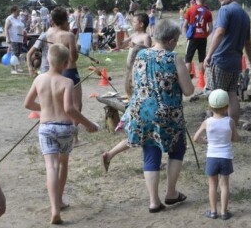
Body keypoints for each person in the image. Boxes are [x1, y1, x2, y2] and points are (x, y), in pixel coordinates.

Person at [121, 19, 194, 213]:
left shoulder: (140, 54)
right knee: (177, 150)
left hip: (142, 112)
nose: (176, 44)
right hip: (168, 114)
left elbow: (135, 82)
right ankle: (171, 192)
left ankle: (154, 201)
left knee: (150, 154)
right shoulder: (174, 58)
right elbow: (188, 91)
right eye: (176, 40)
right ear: (170, 41)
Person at [24, 43, 99, 224]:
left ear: (47, 59)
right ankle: (60, 199)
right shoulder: (67, 82)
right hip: (65, 129)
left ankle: (55, 208)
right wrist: (88, 124)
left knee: (51, 167)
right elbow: (69, 109)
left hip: (46, 128)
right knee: (63, 164)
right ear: (66, 63)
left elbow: (28, 104)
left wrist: (45, 109)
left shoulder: (39, 79)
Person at [204, 0, 251, 127]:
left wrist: (209, 55)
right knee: (232, 95)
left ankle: (217, 129)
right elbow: (248, 42)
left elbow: (219, 32)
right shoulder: (245, 15)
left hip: (221, 60)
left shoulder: (225, 10)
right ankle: (232, 128)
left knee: (216, 96)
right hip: (235, 62)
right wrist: (250, 60)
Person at [193, 89, 240, 220]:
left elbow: (196, 138)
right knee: (224, 185)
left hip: (212, 157)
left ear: (209, 106)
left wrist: (205, 142)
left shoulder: (207, 122)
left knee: (212, 185)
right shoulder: (230, 121)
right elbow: (236, 138)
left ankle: (213, 211)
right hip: (226, 157)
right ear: (227, 107)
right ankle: (224, 212)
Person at [101, 44, 148, 173]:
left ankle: (109, 155)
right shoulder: (139, 72)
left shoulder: (130, 73)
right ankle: (151, 163)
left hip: (134, 111)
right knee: (147, 138)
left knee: (134, 139)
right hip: (142, 111)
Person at [46, 7, 86, 148]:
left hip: (55, 72)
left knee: (61, 104)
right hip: (69, 72)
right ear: (65, 20)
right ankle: (74, 139)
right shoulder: (68, 35)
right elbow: (73, 58)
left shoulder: (49, 33)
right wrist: (77, 49)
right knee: (76, 105)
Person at [183, 0, 213, 76]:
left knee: (188, 59)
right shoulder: (208, 12)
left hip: (192, 37)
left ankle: (187, 78)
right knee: (201, 59)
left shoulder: (190, 10)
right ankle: (201, 79)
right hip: (203, 38)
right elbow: (210, 28)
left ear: (196, 0)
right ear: (205, 1)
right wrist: (206, 35)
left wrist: (186, 36)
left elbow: (184, 26)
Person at [4, 5, 26, 75]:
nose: (19, 12)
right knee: (14, 54)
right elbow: (6, 29)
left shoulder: (18, 18)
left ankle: (17, 68)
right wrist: (7, 38)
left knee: (18, 54)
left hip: (20, 39)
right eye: (18, 11)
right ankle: (12, 69)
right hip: (13, 39)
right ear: (13, 11)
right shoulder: (9, 19)